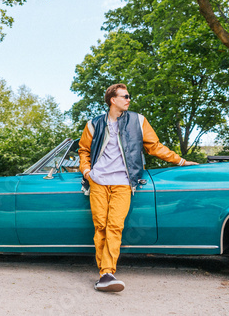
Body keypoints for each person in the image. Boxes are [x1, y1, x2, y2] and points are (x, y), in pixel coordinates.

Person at [78, 83, 198, 292]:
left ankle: (107, 272)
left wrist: (180, 161)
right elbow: (83, 150)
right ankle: (104, 273)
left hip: (124, 182)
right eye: (125, 96)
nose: (129, 99)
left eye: (129, 96)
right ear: (112, 100)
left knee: (115, 226)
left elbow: (155, 147)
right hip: (98, 181)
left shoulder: (138, 121)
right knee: (100, 227)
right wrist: (87, 171)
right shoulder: (94, 124)